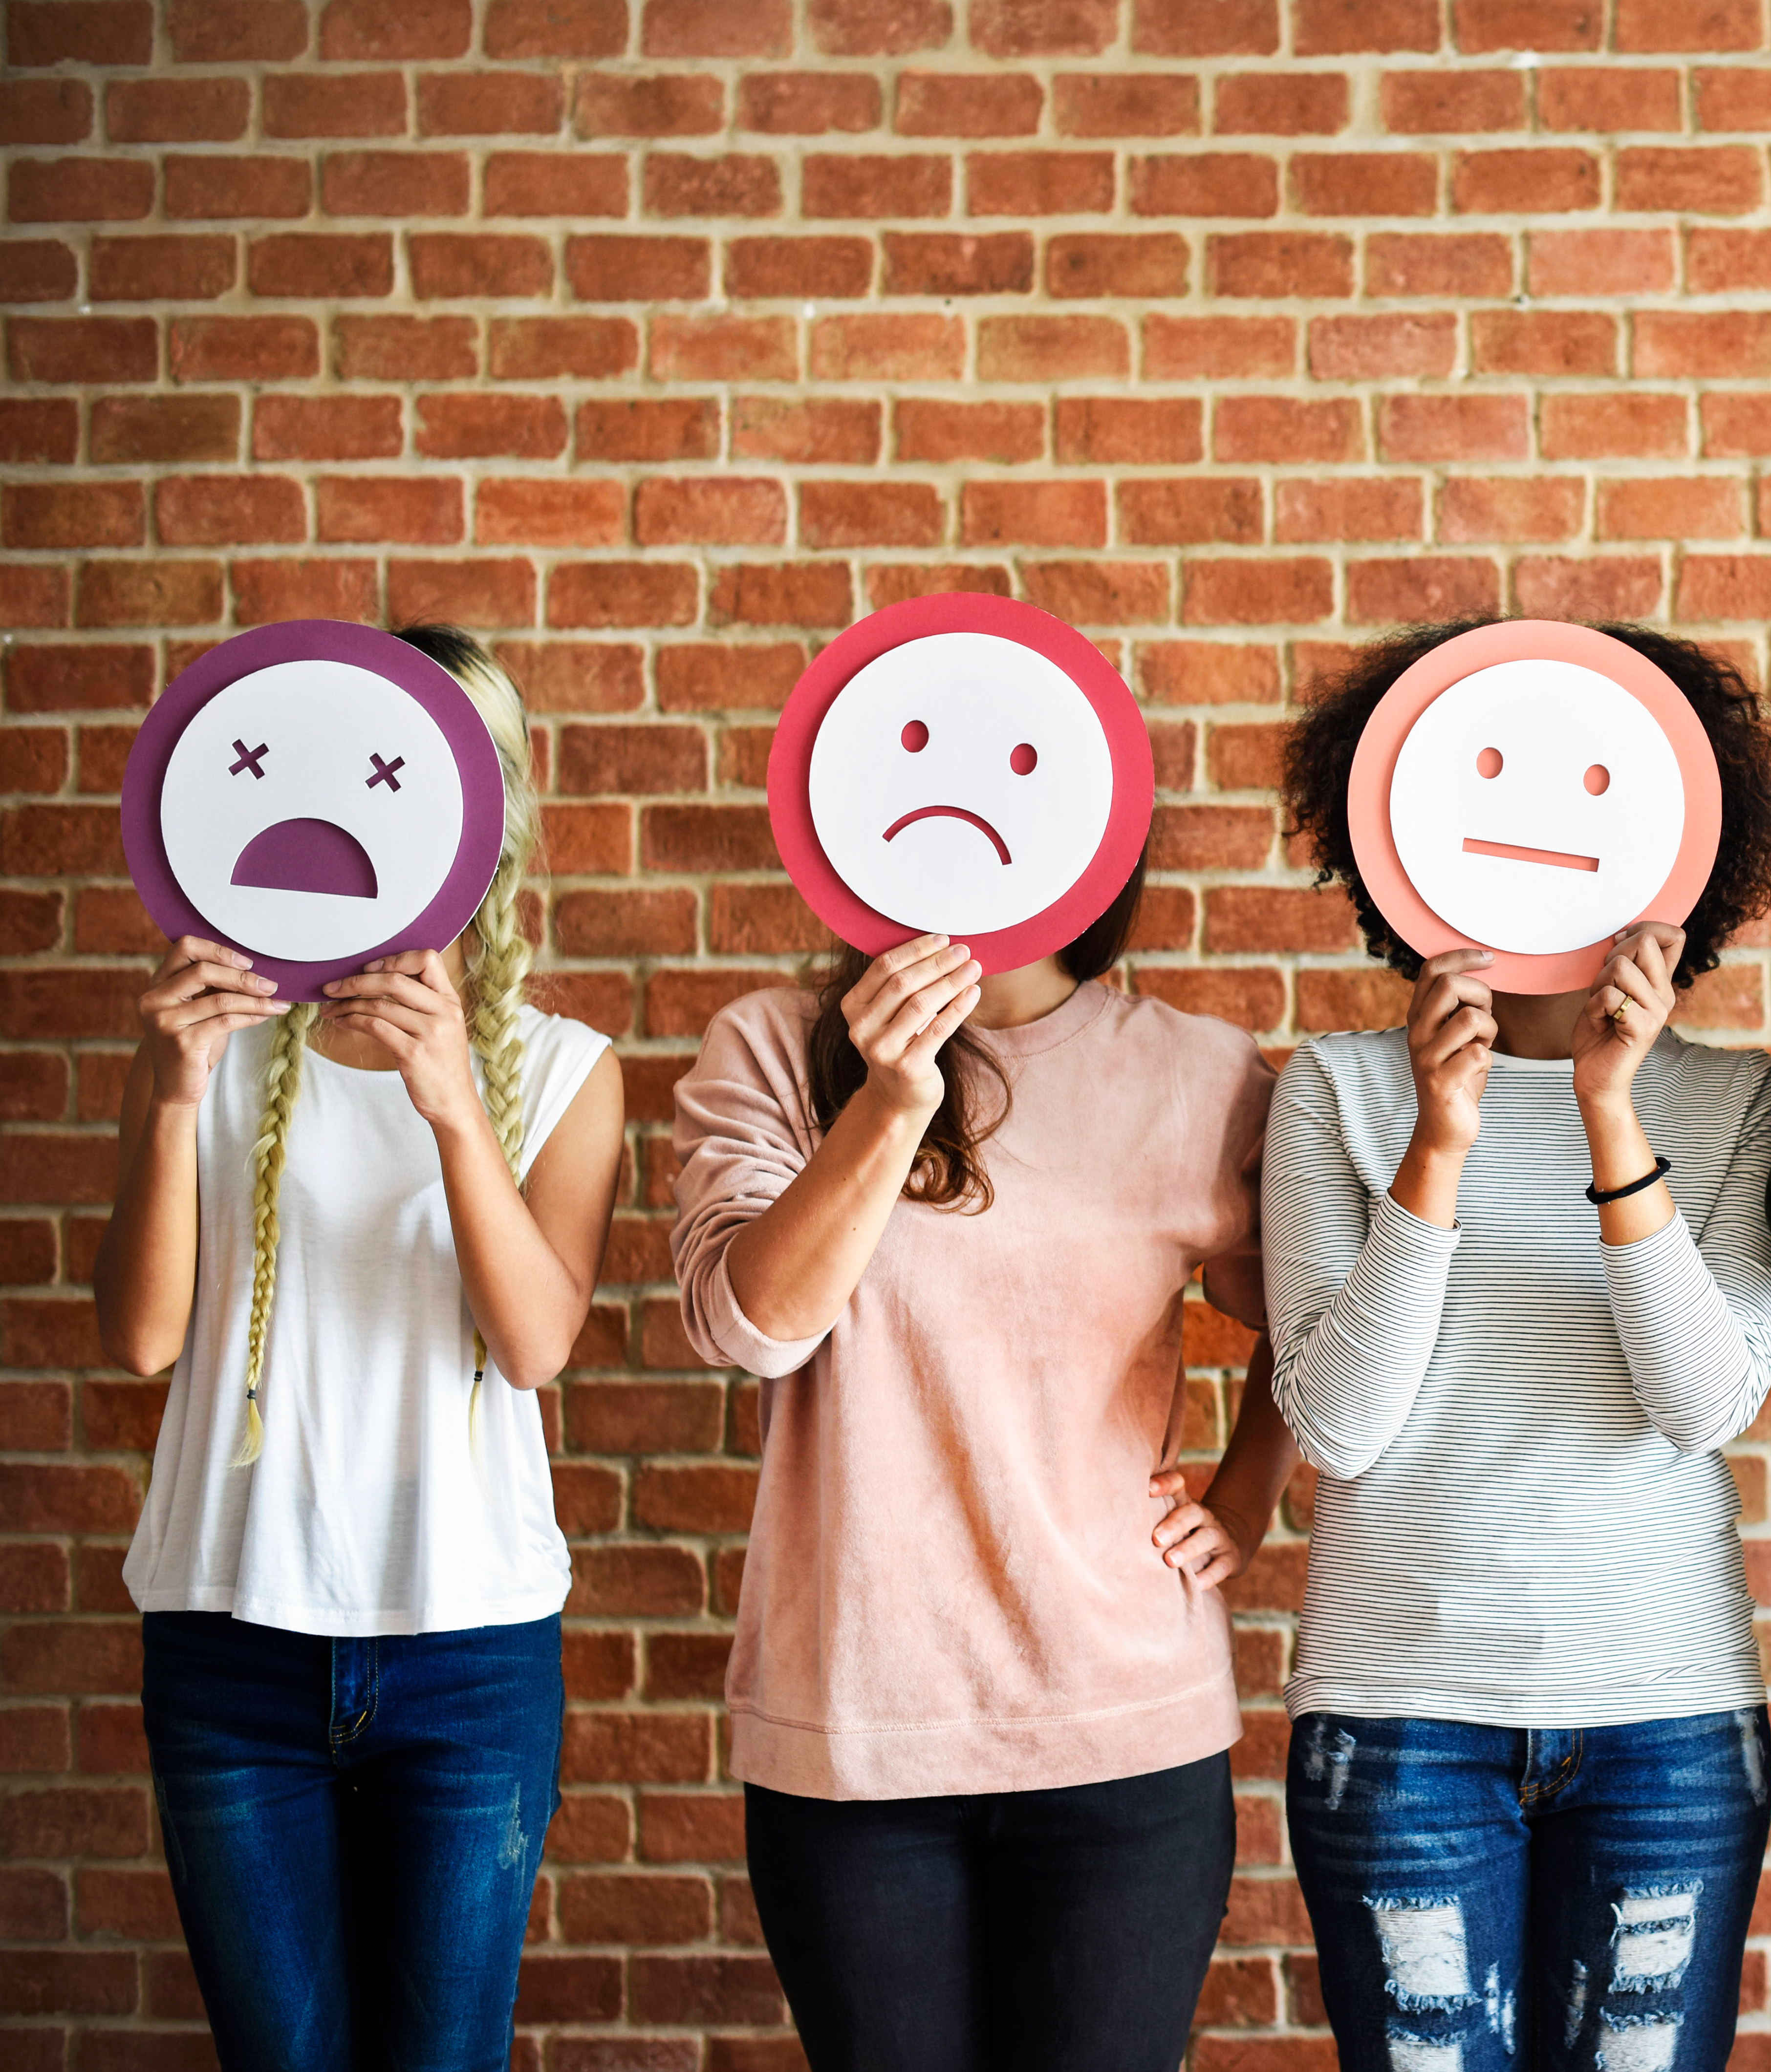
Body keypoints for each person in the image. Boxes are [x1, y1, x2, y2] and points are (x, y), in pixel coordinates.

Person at [1263, 620, 1771, 2072]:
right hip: (1400, 1726)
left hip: (1663, 1727)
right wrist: (1442, 1141)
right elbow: (1339, 1426)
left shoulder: (1735, 1101)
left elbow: (1703, 1403)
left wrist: (1608, 1112)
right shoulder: (1337, 1091)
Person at [98, 624, 625, 2071]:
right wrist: (170, 1096)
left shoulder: (564, 1069)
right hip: (228, 1641)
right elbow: (139, 1339)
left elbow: (535, 1344)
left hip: (468, 1658)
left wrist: (453, 1105)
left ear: (484, 822)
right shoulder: (210, 1045)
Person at [669, 862, 1293, 2072]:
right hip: (856, 1738)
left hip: (1123, 1741)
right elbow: (752, 1327)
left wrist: (1246, 1497)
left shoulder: (1200, 1075)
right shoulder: (771, 1048)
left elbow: (1325, 1315)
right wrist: (893, 1099)